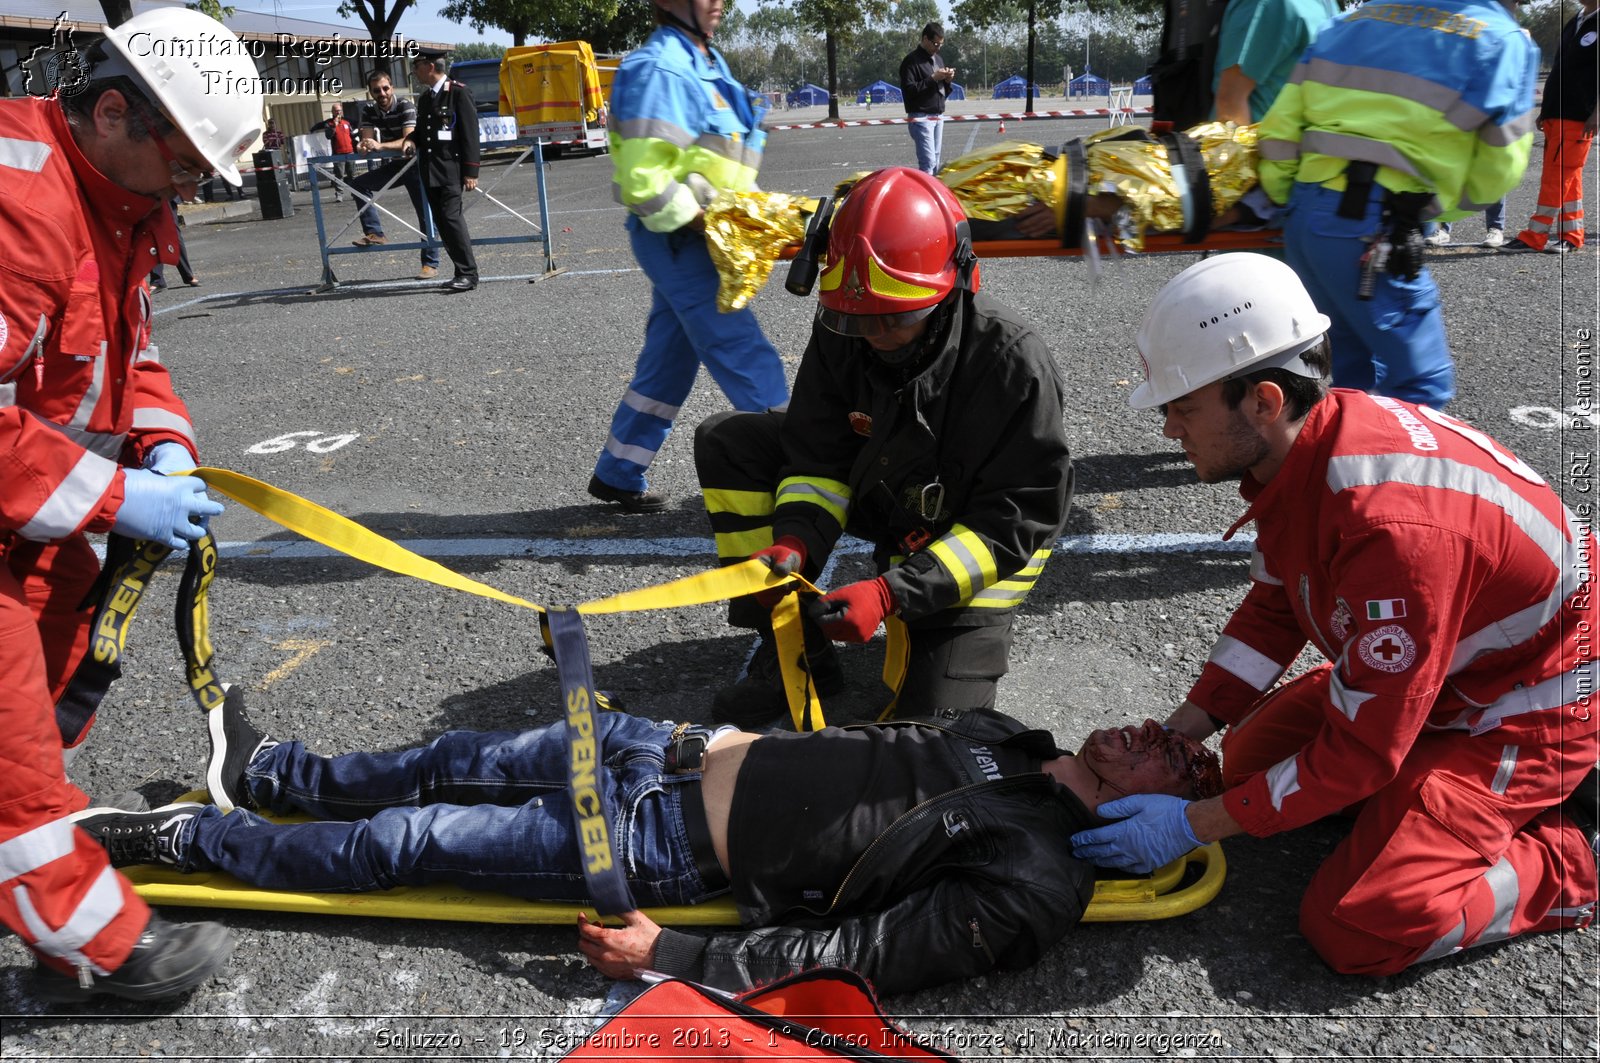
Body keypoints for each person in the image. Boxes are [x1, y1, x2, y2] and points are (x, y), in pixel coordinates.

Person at [1073, 253, 1600, 977]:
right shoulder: (1306, 452)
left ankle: (1575, 854)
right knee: (1254, 765)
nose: (1169, 430)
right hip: (1449, 665)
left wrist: (1191, 825)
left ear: (1262, 400)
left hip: (1531, 701)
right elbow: (1273, 610)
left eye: (1182, 407)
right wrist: (1182, 729)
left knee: (1357, 924)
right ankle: (1420, 777)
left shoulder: (1395, 533)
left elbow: (1360, 753)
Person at [74, 686, 1222, 995]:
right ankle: (271, 774)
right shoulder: (1010, 738)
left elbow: (866, 956)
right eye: (1176, 731)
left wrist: (672, 956)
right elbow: (857, 753)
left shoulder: (1036, 872)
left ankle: (192, 842)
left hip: (656, 839)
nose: (1157, 730)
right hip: (663, 749)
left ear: (1153, 821)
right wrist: (728, 734)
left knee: (404, 842)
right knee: (444, 754)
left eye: (1180, 761)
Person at [0, 5, 248, 1002]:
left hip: (40, 520)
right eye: (188, 163)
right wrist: (113, 493)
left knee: (53, 711)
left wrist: (168, 444)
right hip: (41, 506)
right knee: (14, 755)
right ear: (114, 114)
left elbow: (123, 355)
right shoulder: (19, 206)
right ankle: (100, 955)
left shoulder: (117, 201)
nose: (192, 189)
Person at [695, 167, 1072, 726]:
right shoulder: (847, 323)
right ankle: (793, 643)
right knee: (731, 442)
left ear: (955, 287)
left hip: (971, 540)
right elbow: (818, 455)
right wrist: (798, 538)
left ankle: (930, 637)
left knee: (930, 733)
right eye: (856, 319)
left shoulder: (1010, 362)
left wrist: (895, 592)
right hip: (891, 491)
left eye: (896, 318)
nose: (874, 335)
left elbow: (1018, 517)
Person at [1257, 0, 1539, 408]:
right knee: (1422, 385)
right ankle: (1382, 471)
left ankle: (1340, 468)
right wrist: (1435, 209)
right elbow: (1500, 165)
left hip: (1306, 216)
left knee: (1350, 374)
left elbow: (1279, 131)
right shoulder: (1501, 38)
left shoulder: (1350, 21)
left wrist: (1291, 197)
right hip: (1376, 225)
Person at [587, 0, 788, 515]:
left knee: (669, 362)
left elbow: (722, 156)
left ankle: (618, 470)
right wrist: (709, 224)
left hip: (707, 232)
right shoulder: (658, 68)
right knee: (743, 350)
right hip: (682, 237)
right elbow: (643, 181)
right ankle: (804, 470)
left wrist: (747, 217)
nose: (718, 1)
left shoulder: (705, 61)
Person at [1502, 0, 1599, 254]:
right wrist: (1546, 110)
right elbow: (1559, 67)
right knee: (1568, 176)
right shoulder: (1577, 20)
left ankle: (1535, 235)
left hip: (1579, 115)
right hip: (1557, 113)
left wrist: (1597, 114)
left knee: (1556, 177)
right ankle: (1572, 235)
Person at [350, 70, 441, 282]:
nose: (381, 93)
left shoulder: (405, 105)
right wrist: (363, 146)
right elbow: (367, 141)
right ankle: (375, 233)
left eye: (385, 88)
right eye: (376, 90)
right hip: (397, 165)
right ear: (370, 92)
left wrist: (379, 146)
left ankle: (430, 263)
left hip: (418, 165)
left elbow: (407, 140)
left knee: (425, 214)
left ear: (392, 87)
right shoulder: (369, 111)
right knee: (357, 184)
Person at [407, 54, 481, 293]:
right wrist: (410, 139)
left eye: (416, 67)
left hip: (451, 169)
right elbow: (422, 131)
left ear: (430, 66)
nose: (414, 72)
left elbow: (470, 133)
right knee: (442, 222)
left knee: (452, 220)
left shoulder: (458, 92)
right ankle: (461, 272)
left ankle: (468, 274)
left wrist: (471, 171)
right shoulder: (426, 98)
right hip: (430, 171)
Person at [1212, 0, 1337, 126]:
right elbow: (1229, 100)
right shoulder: (1268, 4)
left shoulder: (1327, 3)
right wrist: (1233, 145)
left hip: (1307, 139)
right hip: (1261, 140)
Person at [898, 22, 954, 175]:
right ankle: (925, 196)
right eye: (935, 43)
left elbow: (942, 92)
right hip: (920, 117)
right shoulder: (910, 61)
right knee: (928, 163)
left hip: (938, 115)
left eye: (941, 44)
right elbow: (909, 91)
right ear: (925, 39)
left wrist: (948, 81)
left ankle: (933, 197)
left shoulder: (938, 60)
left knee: (935, 162)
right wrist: (933, 78)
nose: (938, 48)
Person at [310, 102, 357, 204]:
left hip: (350, 152)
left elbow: (352, 135)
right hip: (338, 153)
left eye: (339, 110)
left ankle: (355, 194)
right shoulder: (329, 124)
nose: (338, 112)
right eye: (335, 110)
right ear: (332, 112)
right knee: (339, 175)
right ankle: (339, 195)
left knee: (352, 174)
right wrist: (334, 126)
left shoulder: (346, 123)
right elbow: (328, 136)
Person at [149, 196, 198, 289]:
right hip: (148, 194)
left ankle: (188, 275)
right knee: (152, 235)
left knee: (174, 234)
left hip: (166, 194)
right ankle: (157, 280)